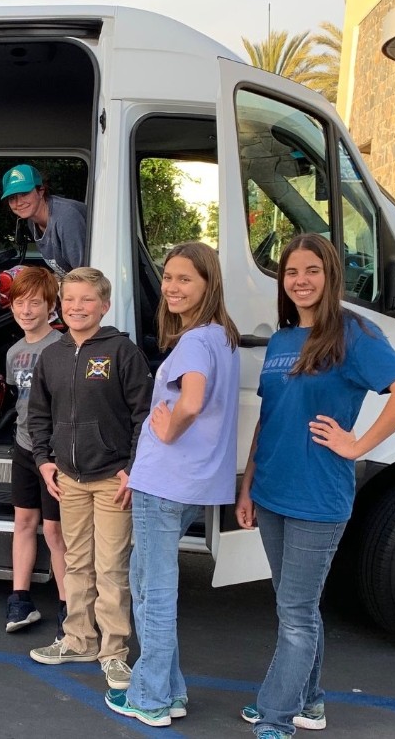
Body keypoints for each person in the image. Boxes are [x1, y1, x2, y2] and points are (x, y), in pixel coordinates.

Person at [236, 234, 395, 738]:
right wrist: (247, 486)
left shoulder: (354, 334)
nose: (301, 281)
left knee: (295, 614)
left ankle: (277, 717)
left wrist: (359, 444)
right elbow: (268, 419)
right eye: (292, 272)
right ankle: (310, 702)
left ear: (330, 275)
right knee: (296, 605)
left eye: (312, 270)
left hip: (318, 496)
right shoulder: (281, 340)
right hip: (272, 491)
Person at [104, 242, 241, 727]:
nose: (172, 287)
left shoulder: (196, 341)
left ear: (208, 284)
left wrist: (168, 429)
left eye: (186, 279)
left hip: (168, 483)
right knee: (149, 584)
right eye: (168, 278)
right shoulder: (222, 336)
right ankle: (171, 691)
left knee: (152, 592)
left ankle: (150, 698)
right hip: (189, 483)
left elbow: (192, 401)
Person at [26, 267, 150, 692]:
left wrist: (133, 468)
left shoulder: (121, 351)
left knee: (112, 568)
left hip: (113, 479)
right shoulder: (53, 354)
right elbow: (37, 414)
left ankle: (114, 653)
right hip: (70, 479)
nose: (76, 307)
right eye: (69, 299)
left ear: (104, 306)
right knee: (77, 563)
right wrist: (44, 460)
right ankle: (79, 638)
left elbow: (143, 416)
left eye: (86, 300)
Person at [3, 266, 68, 636]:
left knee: (56, 531)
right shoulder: (14, 352)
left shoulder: (61, 347)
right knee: (24, 523)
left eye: (34, 303)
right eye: (19, 303)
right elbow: (20, 399)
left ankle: (68, 606)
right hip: (24, 448)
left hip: (54, 456)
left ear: (51, 307)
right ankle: (20, 599)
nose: (26, 311)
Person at [0, 164, 88, 276]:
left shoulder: (66, 217)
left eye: (24, 194)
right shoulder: (32, 221)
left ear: (41, 191)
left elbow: (85, 276)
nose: (19, 203)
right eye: (12, 198)